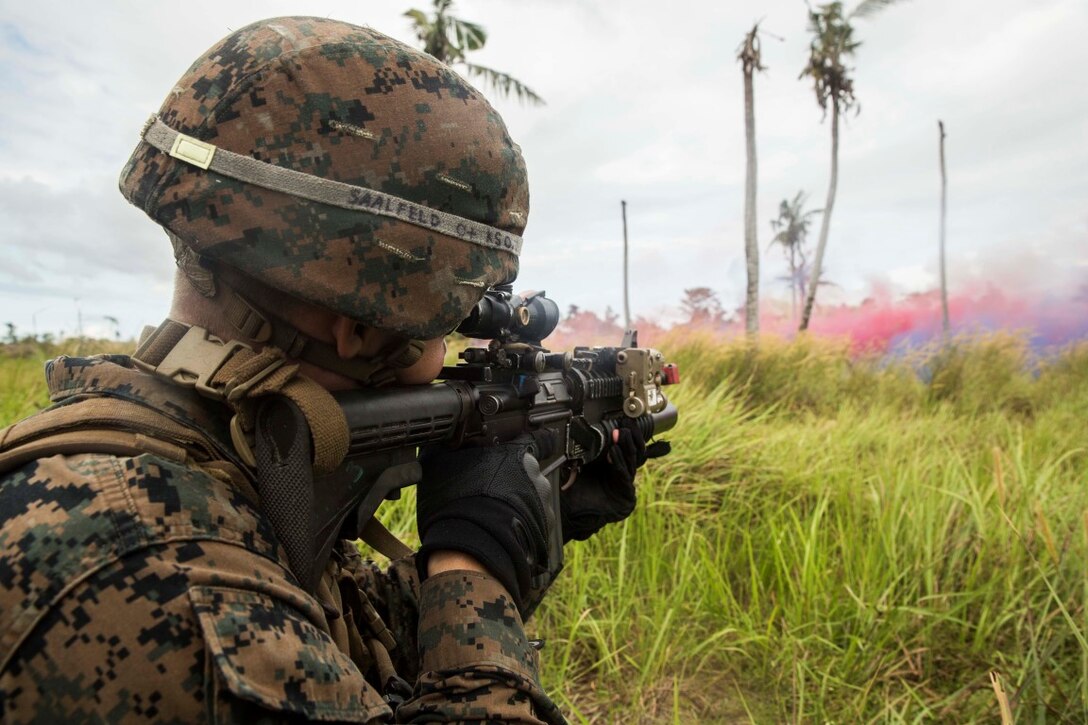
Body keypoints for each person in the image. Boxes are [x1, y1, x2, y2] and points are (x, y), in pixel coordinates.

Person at [0, 17, 659, 723]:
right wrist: (478, 579)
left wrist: (505, 534)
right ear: (364, 328)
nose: (452, 353)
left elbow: (341, 650)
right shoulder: (174, 593)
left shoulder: (205, 459)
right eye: (450, 322)